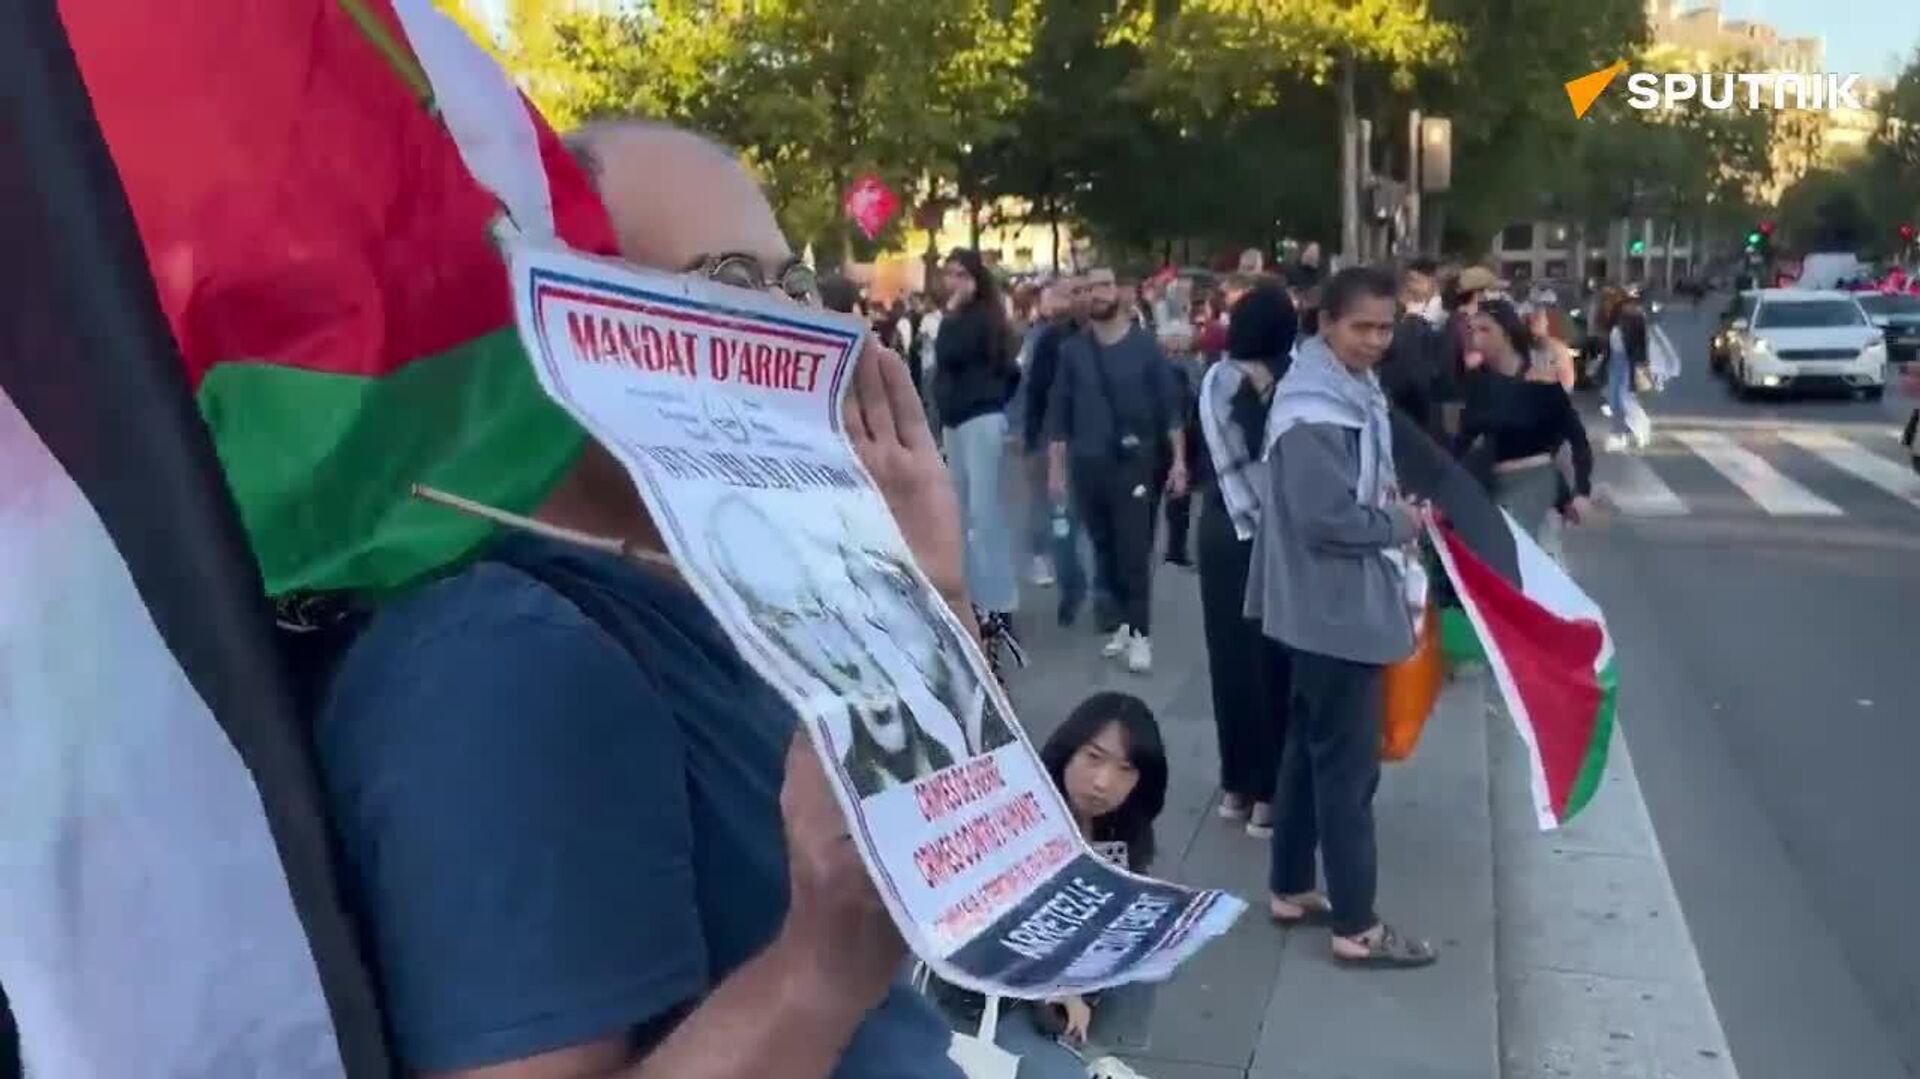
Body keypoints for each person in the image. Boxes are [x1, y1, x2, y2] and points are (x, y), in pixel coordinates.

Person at [316, 119, 968, 1078]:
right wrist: (822, 966)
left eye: (795, 288)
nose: (805, 334)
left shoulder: (723, 584)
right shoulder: (501, 662)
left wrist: (926, 602)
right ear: (544, 338)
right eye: (729, 285)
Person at [1248, 266, 1436, 969]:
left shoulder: (1341, 389)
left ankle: (1291, 885)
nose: (1376, 341)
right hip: (1334, 607)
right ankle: (1357, 925)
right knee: (1348, 774)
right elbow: (1325, 518)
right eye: (1362, 327)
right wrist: (1400, 522)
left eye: (1386, 328)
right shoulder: (1314, 408)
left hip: (1322, 605)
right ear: (1326, 322)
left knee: (1309, 750)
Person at [931, 693, 1168, 1078]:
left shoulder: (1120, 831)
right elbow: (975, 934)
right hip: (991, 999)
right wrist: (1052, 990)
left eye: (1125, 769)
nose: (1103, 782)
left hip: (1073, 997)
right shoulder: (1015, 818)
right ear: (1068, 750)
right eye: (1093, 758)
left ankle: (1094, 1050)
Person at [1045, 268, 1188, 674]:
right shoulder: (1073, 351)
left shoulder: (1145, 347)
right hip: (1087, 466)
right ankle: (1125, 624)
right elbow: (1060, 413)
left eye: (1105, 285)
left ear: (1120, 291)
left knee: (1133, 550)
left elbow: (1170, 408)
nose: (1097, 293)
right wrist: (1055, 470)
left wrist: (1178, 461)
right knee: (1104, 549)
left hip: (1135, 464)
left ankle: (1141, 634)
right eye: (1089, 288)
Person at [1195, 281, 1298, 838]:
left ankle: (1236, 784)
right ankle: (1269, 793)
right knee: (1272, 666)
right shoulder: (1292, 383)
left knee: (1229, 661)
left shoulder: (1215, 379)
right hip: (1272, 536)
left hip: (1221, 528)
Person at [934, 249, 1023, 679]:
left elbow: (951, 352)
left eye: (960, 274)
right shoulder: (966, 318)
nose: (953, 282)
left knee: (985, 516)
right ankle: (975, 601)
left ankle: (1000, 606)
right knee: (963, 516)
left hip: (978, 419)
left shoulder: (980, 319)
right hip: (957, 421)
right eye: (949, 274)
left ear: (974, 279)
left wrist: (992, 403)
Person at [1458, 300, 1595, 548]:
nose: (1477, 338)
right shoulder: (1477, 383)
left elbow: (1578, 441)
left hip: (1538, 489)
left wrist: (1581, 492)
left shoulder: (1540, 379)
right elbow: (1463, 442)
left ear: (1506, 334)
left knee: (1536, 556)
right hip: (1496, 490)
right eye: (1473, 330)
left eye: (1485, 330)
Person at [1604, 293, 1654, 452]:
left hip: (1628, 362)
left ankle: (1640, 428)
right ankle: (1620, 434)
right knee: (1614, 400)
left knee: (1625, 398)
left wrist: (1641, 365)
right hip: (1615, 361)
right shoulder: (1617, 318)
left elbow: (1641, 346)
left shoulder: (1637, 319)